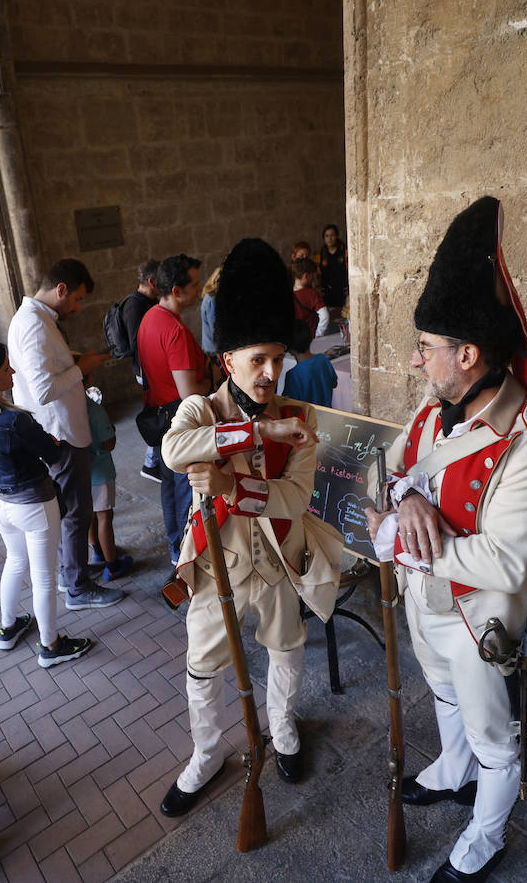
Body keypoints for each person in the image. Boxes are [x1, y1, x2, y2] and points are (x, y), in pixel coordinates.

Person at [363, 197, 527, 883]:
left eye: (426, 348)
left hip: (482, 621)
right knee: (442, 697)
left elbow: (506, 561)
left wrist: (397, 534)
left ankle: (488, 834)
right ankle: (452, 774)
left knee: (495, 739)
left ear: (469, 354)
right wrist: (408, 495)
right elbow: (383, 467)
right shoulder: (430, 417)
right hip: (425, 605)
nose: (417, 361)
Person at [158, 238, 334, 818]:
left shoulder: (300, 417)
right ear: (228, 359)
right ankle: (207, 754)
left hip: (281, 561)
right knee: (203, 669)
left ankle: (282, 729)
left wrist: (232, 486)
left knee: (287, 650)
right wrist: (255, 435)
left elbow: (294, 499)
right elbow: (173, 449)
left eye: (278, 359)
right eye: (257, 359)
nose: (271, 372)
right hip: (217, 570)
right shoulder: (200, 412)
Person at [0, 341, 94, 668]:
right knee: (43, 576)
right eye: (5, 368)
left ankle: (9, 627)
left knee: (15, 561)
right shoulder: (13, 420)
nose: (12, 371)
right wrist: (50, 444)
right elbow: (54, 453)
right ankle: (51, 646)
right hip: (34, 504)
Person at [7, 258, 123, 610]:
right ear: (61, 290)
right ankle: (77, 587)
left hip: (60, 428)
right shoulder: (33, 325)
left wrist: (73, 362)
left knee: (71, 510)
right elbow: (42, 389)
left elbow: (46, 368)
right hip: (60, 432)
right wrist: (81, 368)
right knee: (76, 512)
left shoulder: (39, 319)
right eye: (77, 299)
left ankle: (69, 574)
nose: (78, 306)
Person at [136, 253, 207, 568]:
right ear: (176, 291)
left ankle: (174, 547)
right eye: (194, 285)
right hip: (179, 419)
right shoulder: (175, 331)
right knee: (183, 490)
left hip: (159, 414)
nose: (200, 289)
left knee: (169, 488)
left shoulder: (150, 316)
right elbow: (189, 394)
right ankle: (183, 555)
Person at [117, 259, 161, 484]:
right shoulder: (135, 305)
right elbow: (138, 343)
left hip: (152, 369)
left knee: (158, 412)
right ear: (152, 281)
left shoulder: (148, 302)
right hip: (146, 370)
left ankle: (154, 461)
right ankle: (151, 463)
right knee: (155, 415)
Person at [85, 379, 132, 580]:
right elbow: (108, 444)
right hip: (100, 472)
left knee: (89, 515)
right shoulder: (95, 410)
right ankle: (112, 565)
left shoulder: (67, 407)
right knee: (105, 517)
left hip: (81, 471)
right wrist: (110, 427)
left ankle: (97, 552)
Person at [281, 319, 338, 408]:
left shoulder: (293, 375)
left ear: (289, 348)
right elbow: (334, 383)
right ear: (310, 339)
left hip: (306, 420)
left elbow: (288, 404)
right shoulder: (323, 359)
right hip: (327, 416)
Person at [314, 224, 349, 336]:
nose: (330, 238)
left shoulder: (345, 252)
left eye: (332, 235)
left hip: (343, 291)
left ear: (337, 236)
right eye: (326, 236)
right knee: (329, 321)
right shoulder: (320, 255)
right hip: (327, 293)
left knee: (344, 318)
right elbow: (317, 275)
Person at [291, 256, 328, 338]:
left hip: (295, 338)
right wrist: (318, 333)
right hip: (310, 338)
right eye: (312, 276)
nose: (313, 279)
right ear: (306, 276)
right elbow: (325, 316)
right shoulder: (311, 293)